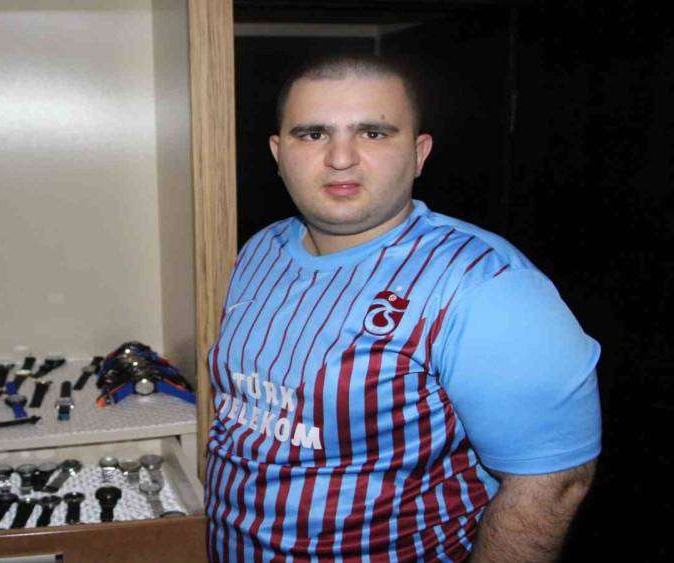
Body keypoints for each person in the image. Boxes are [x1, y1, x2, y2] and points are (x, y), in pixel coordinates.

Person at [205, 54, 601, 562]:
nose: (340, 158)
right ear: (279, 154)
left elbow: (553, 485)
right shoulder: (260, 250)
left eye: (373, 133)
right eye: (313, 134)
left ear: (418, 154)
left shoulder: (485, 285)